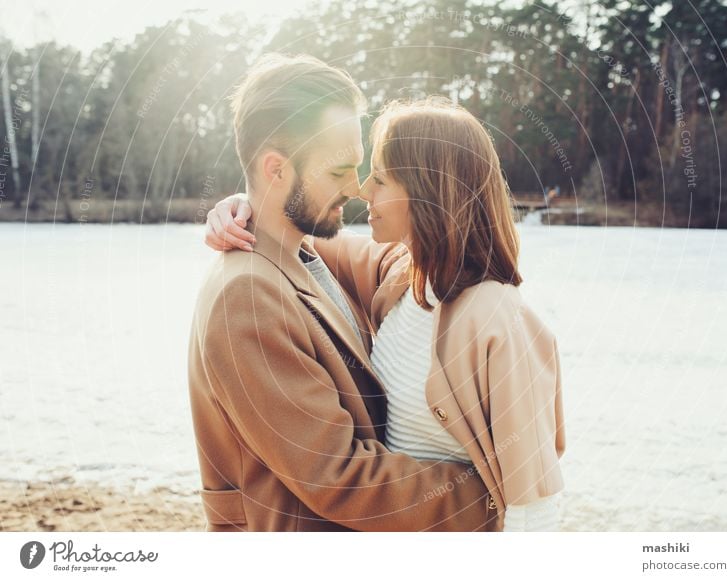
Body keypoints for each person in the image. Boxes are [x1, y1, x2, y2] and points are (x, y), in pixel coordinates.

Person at [206, 96, 567, 531]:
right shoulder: (403, 277)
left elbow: (535, 504)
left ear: (424, 190)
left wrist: (495, 509)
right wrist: (244, 204)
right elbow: (294, 230)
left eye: (379, 178)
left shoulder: (493, 316)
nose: (362, 190)